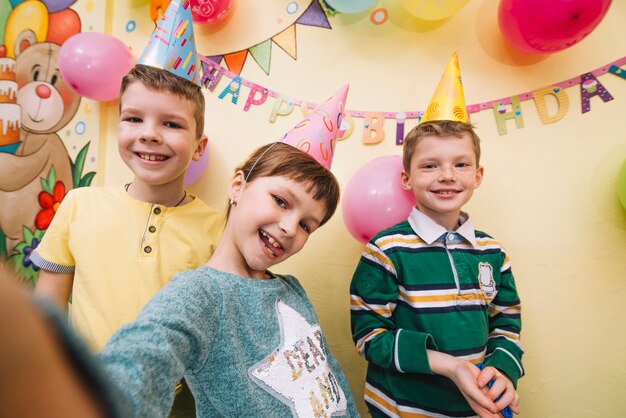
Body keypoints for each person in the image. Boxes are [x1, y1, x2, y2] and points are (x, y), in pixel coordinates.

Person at [96, 140, 359, 417]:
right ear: (237, 186)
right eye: (281, 201)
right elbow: (142, 358)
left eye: (306, 225)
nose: (290, 228)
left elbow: (331, 384)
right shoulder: (200, 293)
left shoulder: (292, 290)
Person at [31, 5, 222, 355]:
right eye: (133, 119)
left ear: (199, 147)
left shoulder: (219, 229)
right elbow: (48, 317)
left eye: (172, 123)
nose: (149, 134)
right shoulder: (78, 205)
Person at [349, 53, 523, 418]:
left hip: (474, 409)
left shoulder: (492, 252)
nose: (447, 175)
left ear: (478, 176)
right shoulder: (385, 250)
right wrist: (449, 364)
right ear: (406, 179)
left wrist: (504, 369)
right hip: (400, 409)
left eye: (460, 164)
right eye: (430, 165)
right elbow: (369, 337)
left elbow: (506, 321)